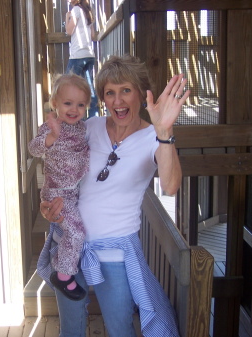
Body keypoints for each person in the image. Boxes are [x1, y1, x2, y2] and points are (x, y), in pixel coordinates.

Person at [38, 54, 189, 337]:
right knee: (71, 330)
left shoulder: (153, 138)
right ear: (103, 98)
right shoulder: (90, 127)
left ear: (142, 95)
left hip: (115, 251)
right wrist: (49, 206)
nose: (118, 101)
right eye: (110, 93)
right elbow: (58, 165)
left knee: (120, 329)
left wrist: (164, 132)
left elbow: (170, 186)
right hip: (70, 243)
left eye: (126, 91)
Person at [28, 73, 91, 301]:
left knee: (71, 230)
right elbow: (33, 149)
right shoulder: (50, 127)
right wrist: (52, 136)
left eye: (80, 104)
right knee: (76, 232)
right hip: (56, 195)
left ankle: (59, 264)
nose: (74, 109)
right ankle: (62, 276)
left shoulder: (82, 128)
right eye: (67, 103)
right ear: (55, 103)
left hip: (73, 192)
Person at [65, 0, 99, 118]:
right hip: (89, 54)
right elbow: (92, 35)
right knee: (89, 88)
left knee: (67, 86)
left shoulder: (76, 10)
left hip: (78, 55)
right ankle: (94, 117)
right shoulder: (88, 11)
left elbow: (69, 31)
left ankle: (72, 120)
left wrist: (67, 17)